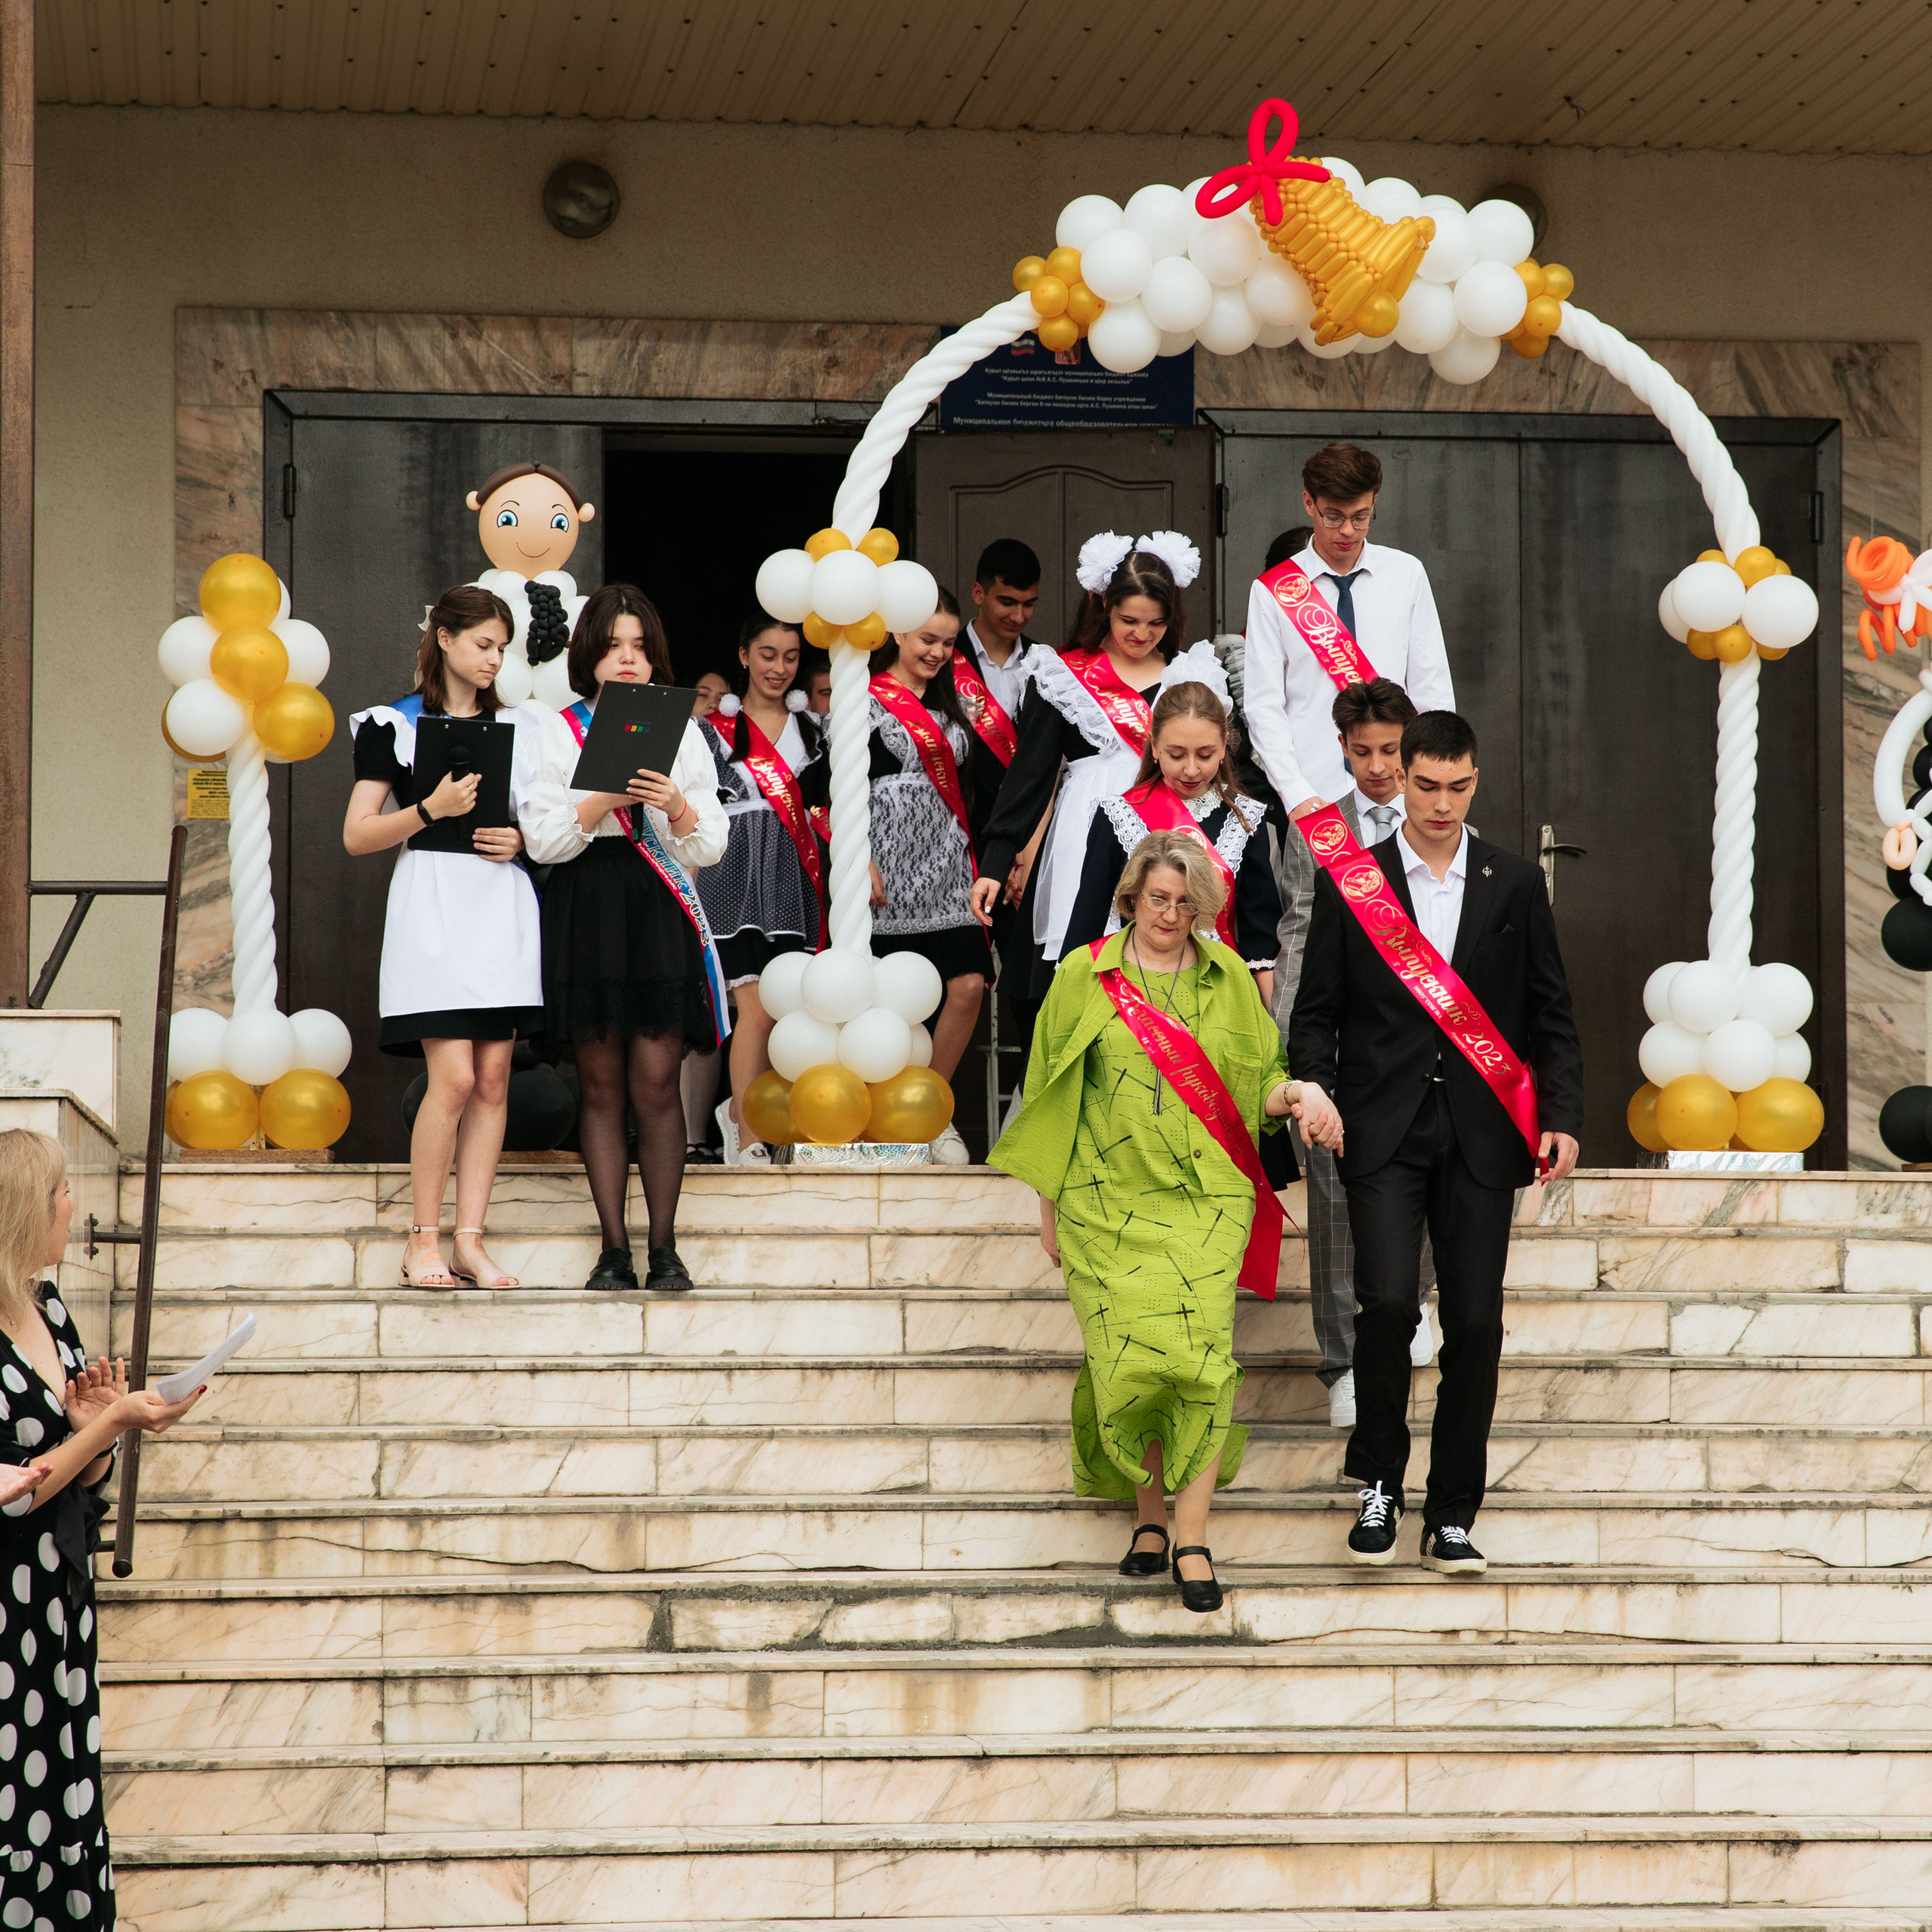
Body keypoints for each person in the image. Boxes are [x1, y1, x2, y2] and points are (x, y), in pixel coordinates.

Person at [991, 832, 1340, 1613]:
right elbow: (1047, 1094)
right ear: (1130, 898)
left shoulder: (1227, 979)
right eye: (1158, 899)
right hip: (1101, 1205)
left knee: (1199, 1366)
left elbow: (1262, 1081)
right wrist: (1049, 1211)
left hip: (1205, 1205)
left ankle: (1191, 1537)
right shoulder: (1084, 975)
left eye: (1186, 903)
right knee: (1129, 1369)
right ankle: (1148, 1519)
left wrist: (1299, 1096)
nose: (1171, 915)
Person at [1289, 712, 1583, 1575]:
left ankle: (1452, 1511)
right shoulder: (1357, 881)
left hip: (1485, 1135)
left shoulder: (1515, 882)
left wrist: (1562, 1111)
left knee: (1476, 1323)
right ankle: (1380, 1482)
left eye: (1457, 787)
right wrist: (1315, 1087)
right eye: (1426, 785)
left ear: (1474, 780)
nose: (1441, 803)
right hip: (1380, 1127)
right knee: (1385, 1304)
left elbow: (1551, 1011)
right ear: (1398, 778)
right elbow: (1316, 1011)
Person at [0, 1128, 205, 1927]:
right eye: (60, 1194)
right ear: (26, 1209)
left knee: (62, 1784)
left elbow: (75, 1469)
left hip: (59, 1593)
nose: (71, 1206)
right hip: (7, 1601)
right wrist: (112, 1423)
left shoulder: (49, 1306)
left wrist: (97, 1427)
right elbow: (15, 1489)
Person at [521, 583, 728, 1293]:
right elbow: (544, 841)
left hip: (659, 904)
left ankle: (664, 1248)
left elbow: (711, 845)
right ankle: (614, 1249)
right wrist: (607, 796)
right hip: (590, 905)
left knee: (657, 1084)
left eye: (639, 647)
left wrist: (675, 804)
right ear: (590, 654)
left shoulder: (685, 731)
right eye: (613, 647)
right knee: (602, 1087)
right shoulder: (558, 729)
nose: (628, 659)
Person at [344, 584, 542, 1290]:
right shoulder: (392, 724)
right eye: (483, 644)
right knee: (453, 1076)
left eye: (502, 649)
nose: (493, 660)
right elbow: (358, 833)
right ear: (446, 639)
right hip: (432, 902)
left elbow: (545, 819)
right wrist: (429, 808)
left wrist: (521, 841)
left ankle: (469, 1242)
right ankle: (421, 1239)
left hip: (500, 903)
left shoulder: (522, 725)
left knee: (493, 1078)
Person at [1275, 676, 1447, 1426]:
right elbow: (1294, 935)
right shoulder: (1319, 830)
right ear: (1341, 749)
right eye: (1362, 751)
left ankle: (1418, 1299)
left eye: (1390, 750)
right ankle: (1343, 1362)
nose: (1377, 766)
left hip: (1430, 1048)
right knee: (1334, 1198)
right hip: (1342, 1048)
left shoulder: (1440, 822)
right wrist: (1296, 1054)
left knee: (1437, 1184)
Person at [970, 534, 1200, 1041]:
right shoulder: (1064, 675)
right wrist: (996, 862)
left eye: (1156, 623)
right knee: (1074, 974)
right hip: (1081, 836)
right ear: (1103, 608)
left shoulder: (1190, 676)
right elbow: (1028, 779)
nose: (1142, 634)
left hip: (1167, 830)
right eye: (1129, 620)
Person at [803, 591, 985, 1163]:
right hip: (883, 871)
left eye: (948, 643)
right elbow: (817, 793)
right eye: (927, 639)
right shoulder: (862, 699)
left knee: (968, 985)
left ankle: (929, 1108)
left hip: (948, 866)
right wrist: (854, 856)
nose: (937, 652)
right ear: (899, 633)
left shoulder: (958, 703)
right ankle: (877, 1117)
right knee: (880, 1003)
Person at [1242, 441, 1454, 823]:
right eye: (1333, 517)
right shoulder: (1273, 590)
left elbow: (1432, 691)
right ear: (1309, 503)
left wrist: (1432, 780)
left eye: (1361, 517)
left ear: (1375, 502)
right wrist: (1294, 791)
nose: (1347, 531)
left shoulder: (1406, 574)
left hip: (1399, 790)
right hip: (1311, 792)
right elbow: (1264, 705)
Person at [1061, 672, 1281, 996]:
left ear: (1225, 746)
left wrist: (1269, 1015)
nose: (1191, 769)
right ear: (1154, 747)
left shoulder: (1246, 818)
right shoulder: (1117, 814)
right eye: (1176, 755)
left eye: (1205, 755)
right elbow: (1087, 920)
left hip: (1220, 988)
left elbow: (1259, 935)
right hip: (1137, 992)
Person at [697, 614, 825, 1164]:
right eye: (768, 654)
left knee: (793, 1009)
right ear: (744, 655)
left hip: (795, 879)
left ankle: (750, 1115)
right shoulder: (710, 731)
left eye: (791, 657)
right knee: (757, 1008)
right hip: (732, 878)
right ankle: (749, 1135)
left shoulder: (815, 729)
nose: (779, 667)